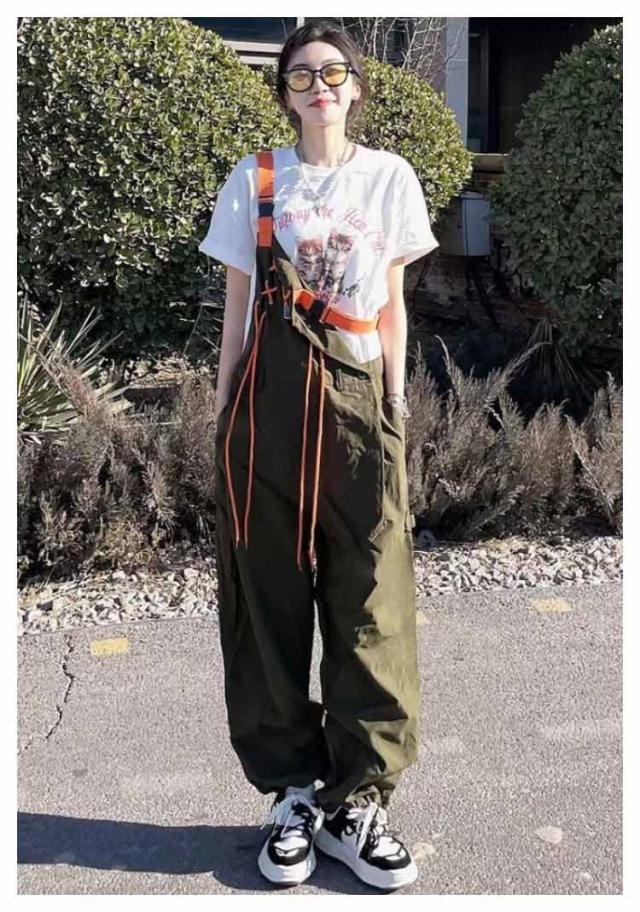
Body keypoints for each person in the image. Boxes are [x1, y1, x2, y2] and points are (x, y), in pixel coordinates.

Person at [198, 20, 439, 891]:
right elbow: (237, 309)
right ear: (286, 93)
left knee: (371, 592)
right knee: (266, 592)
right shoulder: (256, 178)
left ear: (356, 87)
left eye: (334, 73)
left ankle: (357, 801)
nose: (320, 87)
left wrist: (397, 405)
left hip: (360, 402)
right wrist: (223, 413)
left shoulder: (389, 177)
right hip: (266, 404)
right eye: (302, 75)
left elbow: (392, 305)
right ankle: (292, 793)